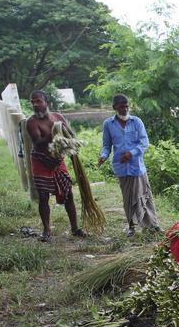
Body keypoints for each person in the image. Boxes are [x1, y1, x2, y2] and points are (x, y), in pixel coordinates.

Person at [26, 89, 84, 242]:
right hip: (41, 161)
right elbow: (38, 143)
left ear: (47, 103)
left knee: (68, 193)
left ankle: (75, 228)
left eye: (38, 101)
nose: (35, 104)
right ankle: (46, 230)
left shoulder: (58, 117)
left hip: (58, 161)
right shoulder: (31, 122)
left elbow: (70, 136)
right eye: (33, 102)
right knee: (43, 196)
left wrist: (72, 153)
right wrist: (53, 134)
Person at [98, 94, 161, 236]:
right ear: (115, 108)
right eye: (121, 106)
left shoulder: (137, 121)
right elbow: (107, 145)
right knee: (127, 199)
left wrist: (131, 153)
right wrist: (103, 156)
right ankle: (131, 227)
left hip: (137, 167)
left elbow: (144, 142)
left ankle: (154, 225)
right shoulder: (108, 124)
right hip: (121, 168)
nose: (125, 109)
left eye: (127, 106)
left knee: (145, 196)